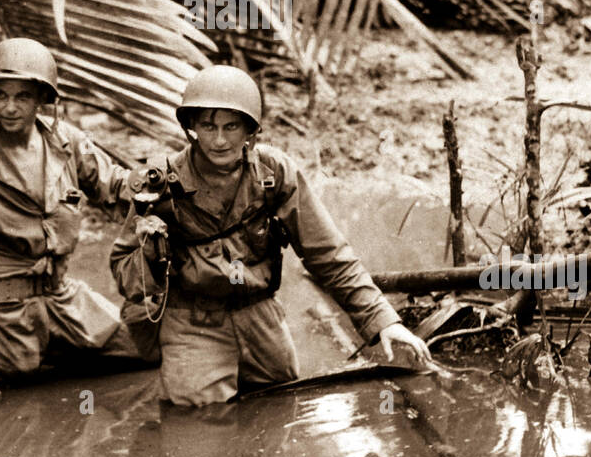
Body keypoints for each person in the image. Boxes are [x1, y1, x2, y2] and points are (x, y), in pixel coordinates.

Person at [110, 65, 432, 406]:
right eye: (208, 125)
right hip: (192, 323)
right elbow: (126, 277)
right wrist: (148, 246)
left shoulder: (274, 173)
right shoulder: (160, 184)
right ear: (192, 128)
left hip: (260, 314)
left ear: (250, 129)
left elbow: (329, 255)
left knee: (281, 407)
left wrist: (382, 321)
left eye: (231, 126)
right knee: (196, 425)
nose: (219, 140)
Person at [0, 37, 149, 389]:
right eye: (1, 95)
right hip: (5, 304)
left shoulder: (67, 142)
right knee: (8, 386)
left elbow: (115, 187)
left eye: (22, 97)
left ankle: (57, 348)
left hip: (61, 295)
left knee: (146, 352)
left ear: (41, 100)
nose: (9, 108)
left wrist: (168, 180)